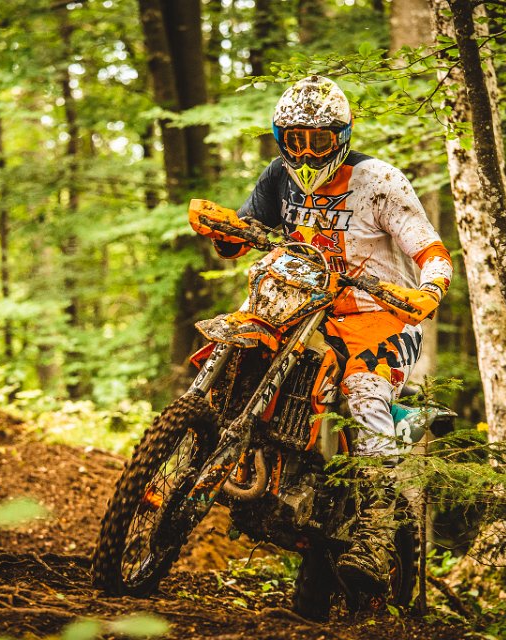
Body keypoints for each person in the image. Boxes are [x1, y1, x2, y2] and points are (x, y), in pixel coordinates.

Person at [187, 75, 453, 595]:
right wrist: (224, 231)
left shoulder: (379, 181)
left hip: (378, 314)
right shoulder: (278, 177)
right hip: (299, 303)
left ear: (342, 137)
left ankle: (375, 531)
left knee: (364, 393)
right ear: (281, 139)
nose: (307, 153)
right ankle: (206, 436)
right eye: (296, 140)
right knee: (238, 342)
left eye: (319, 140)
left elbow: (432, 251)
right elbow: (243, 235)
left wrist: (430, 290)